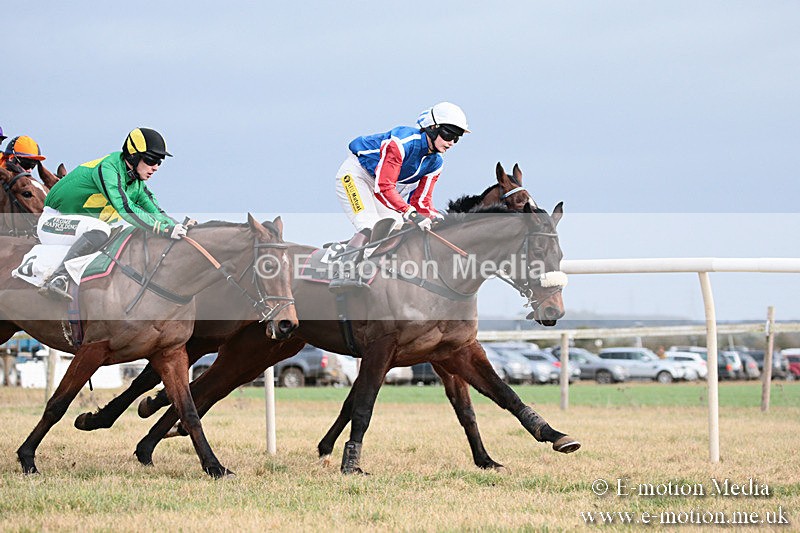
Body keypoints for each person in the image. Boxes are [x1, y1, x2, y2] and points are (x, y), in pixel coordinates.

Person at [329, 103, 469, 292]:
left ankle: (363, 261)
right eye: (449, 135)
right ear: (432, 128)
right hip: (357, 176)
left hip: (383, 186)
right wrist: (411, 213)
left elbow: (421, 202)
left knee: (395, 224)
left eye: (457, 138)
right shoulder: (402, 142)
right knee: (369, 224)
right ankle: (342, 271)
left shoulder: (436, 163)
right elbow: (384, 186)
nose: (451, 142)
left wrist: (437, 219)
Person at [38, 127, 188, 301]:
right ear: (133, 156)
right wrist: (163, 230)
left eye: (159, 162)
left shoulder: (136, 183)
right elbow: (125, 208)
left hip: (78, 227)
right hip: (53, 223)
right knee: (102, 228)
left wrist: (177, 226)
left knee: (122, 233)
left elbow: (156, 211)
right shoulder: (108, 168)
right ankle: (58, 278)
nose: (155, 167)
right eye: (150, 160)